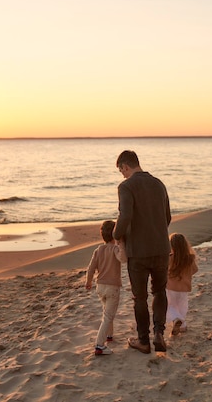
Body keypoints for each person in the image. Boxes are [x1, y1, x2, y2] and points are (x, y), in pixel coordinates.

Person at [113, 150, 171, 354]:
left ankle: (144, 341)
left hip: (138, 251)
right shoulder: (158, 184)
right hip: (162, 248)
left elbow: (125, 215)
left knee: (140, 297)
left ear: (125, 167)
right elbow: (167, 217)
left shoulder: (126, 186)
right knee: (159, 291)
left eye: (121, 171)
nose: (122, 175)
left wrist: (116, 234)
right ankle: (160, 334)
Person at [85, 220, 127, 356]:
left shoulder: (98, 250)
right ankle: (99, 345)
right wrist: (121, 243)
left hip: (100, 286)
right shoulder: (115, 249)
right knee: (108, 316)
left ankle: (109, 335)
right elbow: (123, 259)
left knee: (107, 312)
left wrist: (88, 282)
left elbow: (90, 269)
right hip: (112, 287)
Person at [166, 233, 198, 336]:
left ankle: (176, 319)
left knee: (170, 306)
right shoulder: (190, 258)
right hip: (184, 288)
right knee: (182, 307)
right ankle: (182, 326)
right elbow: (194, 270)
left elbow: (163, 270)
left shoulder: (169, 258)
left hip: (171, 287)